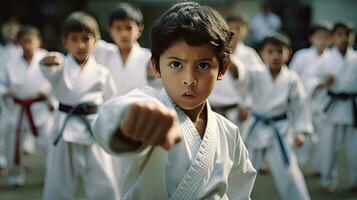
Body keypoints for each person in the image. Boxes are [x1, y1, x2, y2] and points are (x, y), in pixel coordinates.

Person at [94, 2, 256, 199]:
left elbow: (241, 191)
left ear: (222, 69)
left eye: (203, 65)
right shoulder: (150, 107)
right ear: (156, 66)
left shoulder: (229, 133)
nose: (189, 79)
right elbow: (108, 118)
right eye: (176, 64)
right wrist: (126, 121)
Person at [40, 11, 119, 200]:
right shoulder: (58, 67)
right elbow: (46, 67)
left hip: (93, 126)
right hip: (64, 127)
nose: (81, 44)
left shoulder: (102, 72)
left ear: (96, 41)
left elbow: (110, 101)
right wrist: (47, 61)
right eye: (74, 39)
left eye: (86, 38)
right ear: (64, 41)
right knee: (59, 179)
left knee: (102, 177)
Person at [230, 35, 312, 200]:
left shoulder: (292, 79)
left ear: (288, 54)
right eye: (270, 52)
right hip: (254, 130)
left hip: (279, 132)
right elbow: (241, 78)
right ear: (262, 55)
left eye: (280, 51)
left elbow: (300, 105)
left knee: (289, 173)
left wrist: (300, 131)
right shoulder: (255, 73)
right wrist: (228, 58)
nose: (275, 55)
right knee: (239, 172)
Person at [0, 25, 53, 186]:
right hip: (18, 109)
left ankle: (53, 176)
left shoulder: (48, 58)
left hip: (40, 108)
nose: (27, 45)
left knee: (48, 144)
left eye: (30, 41)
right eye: (23, 42)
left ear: (39, 42)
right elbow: (2, 83)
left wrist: (48, 93)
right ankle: (15, 177)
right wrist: (7, 92)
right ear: (19, 43)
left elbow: (57, 80)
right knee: (12, 145)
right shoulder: (11, 63)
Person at [314, 22, 357, 193]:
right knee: (329, 146)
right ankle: (327, 180)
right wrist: (324, 82)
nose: (344, 38)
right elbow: (311, 78)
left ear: (353, 37)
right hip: (332, 106)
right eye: (339, 34)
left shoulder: (355, 58)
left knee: (355, 149)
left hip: (352, 107)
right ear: (333, 37)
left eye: (347, 34)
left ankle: (355, 180)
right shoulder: (326, 58)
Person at [289, 23, 331, 172]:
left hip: (325, 104)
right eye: (319, 37)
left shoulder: (332, 57)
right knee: (301, 137)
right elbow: (292, 77)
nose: (323, 40)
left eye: (326, 37)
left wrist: (326, 83)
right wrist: (316, 83)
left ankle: (321, 169)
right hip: (303, 102)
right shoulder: (302, 55)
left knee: (325, 141)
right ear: (311, 38)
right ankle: (297, 167)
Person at [93, 2, 156, 95]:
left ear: (140, 30)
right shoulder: (102, 52)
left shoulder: (148, 57)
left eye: (129, 28)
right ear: (110, 30)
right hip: (108, 108)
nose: (124, 34)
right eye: (118, 28)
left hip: (137, 107)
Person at [209, 14, 263, 122]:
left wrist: (247, 104)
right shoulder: (211, 52)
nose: (233, 32)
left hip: (236, 111)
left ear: (246, 31)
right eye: (229, 28)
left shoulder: (250, 55)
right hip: (210, 108)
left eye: (238, 28)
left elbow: (258, 82)